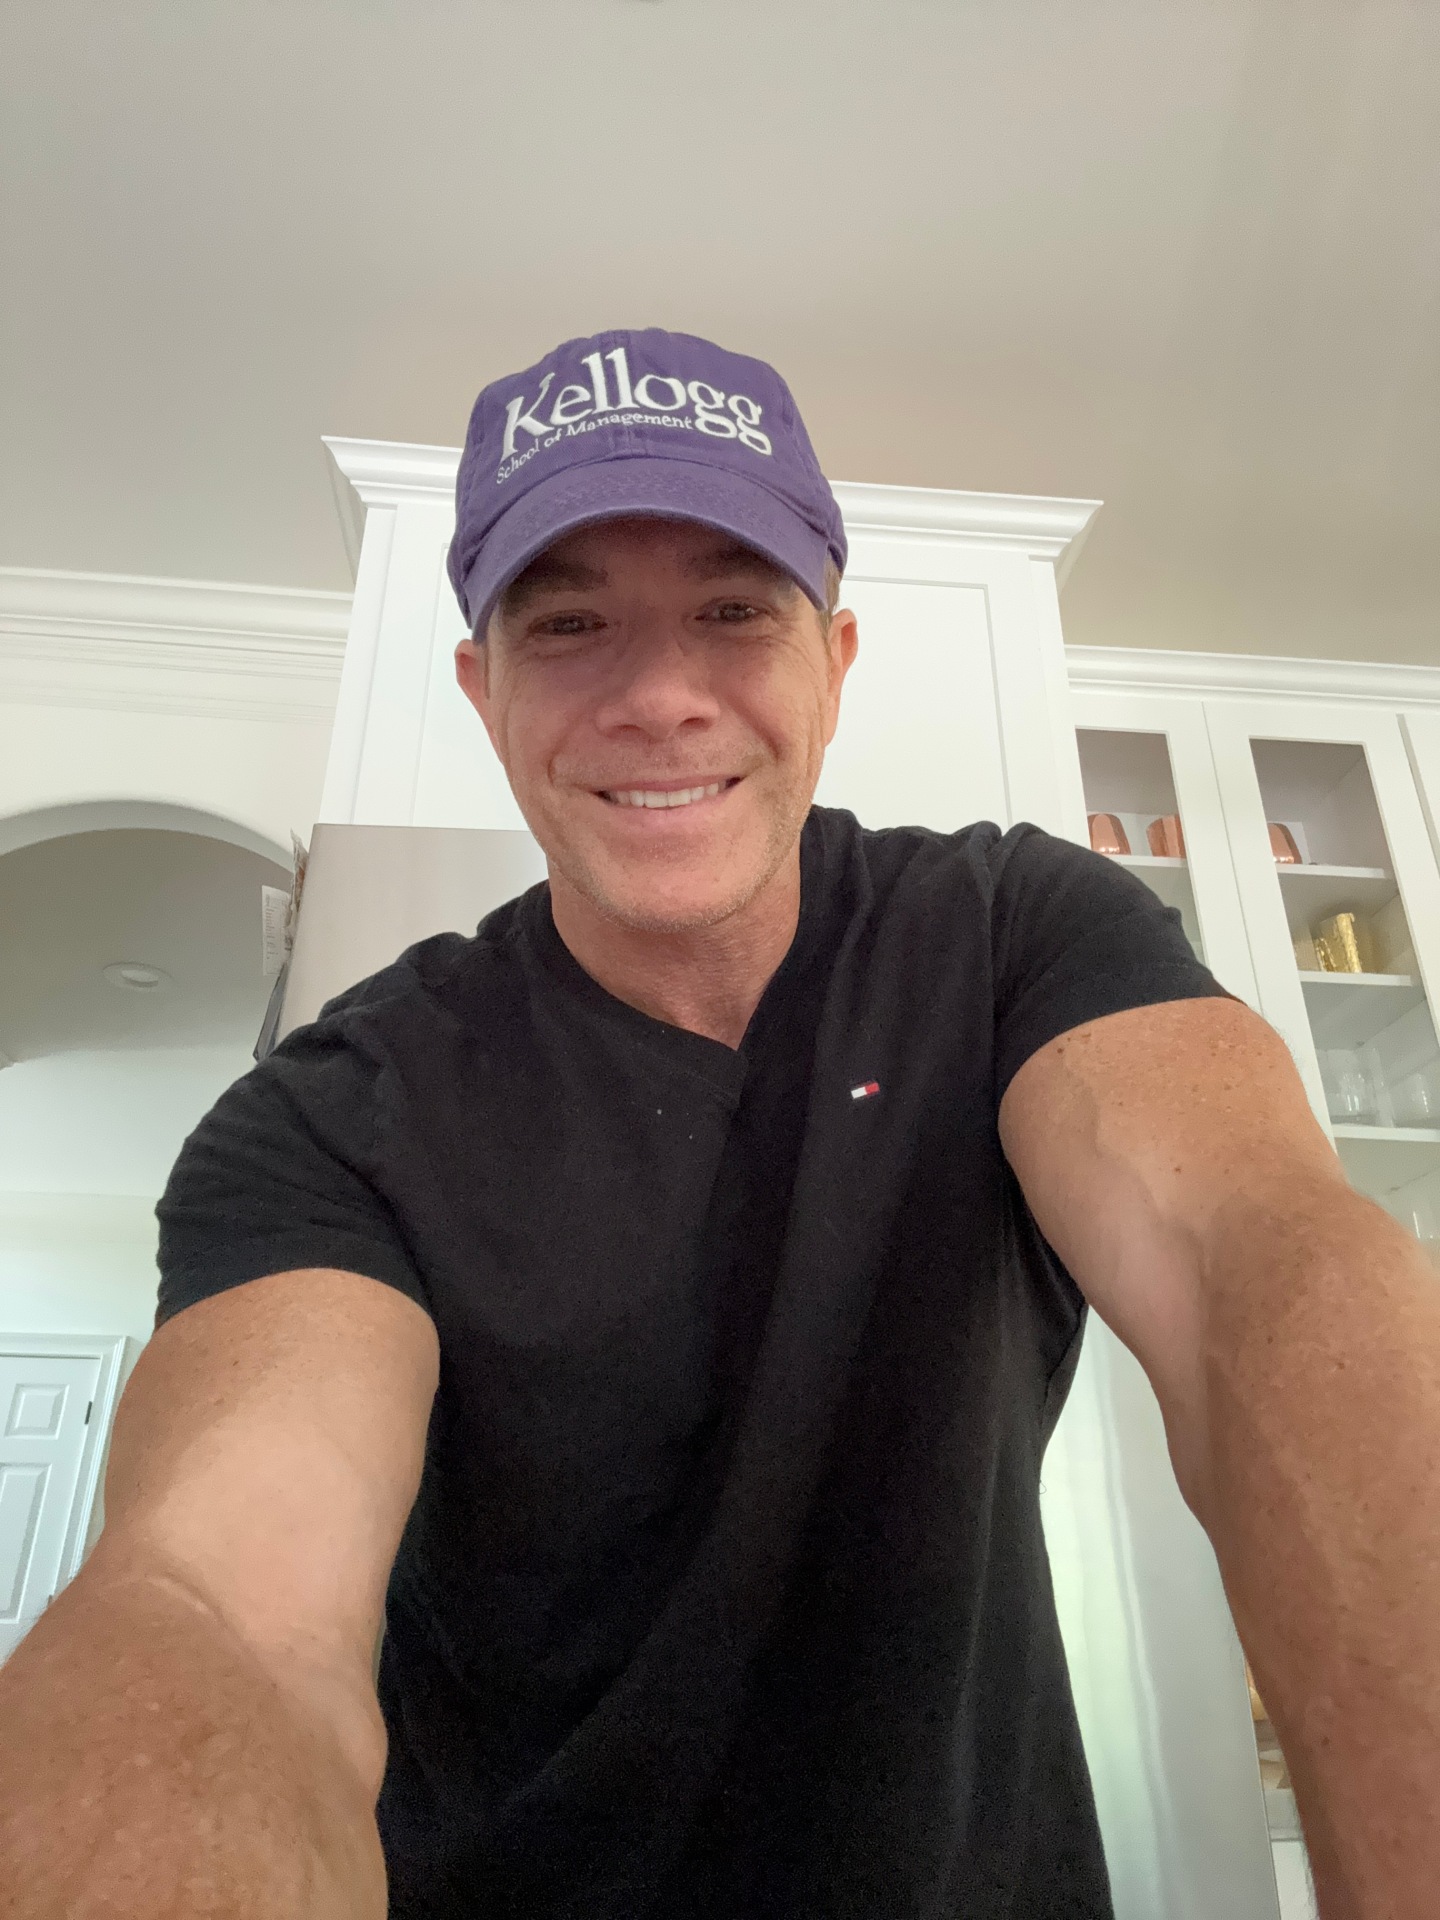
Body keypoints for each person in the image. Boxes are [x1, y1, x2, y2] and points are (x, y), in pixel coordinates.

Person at [0, 328, 1435, 1920]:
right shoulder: (330, 1119)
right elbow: (226, 1607)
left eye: (736, 610)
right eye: (569, 624)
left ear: (836, 659)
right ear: (483, 692)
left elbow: (1263, 1276)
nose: (661, 698)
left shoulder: (1012, 941)